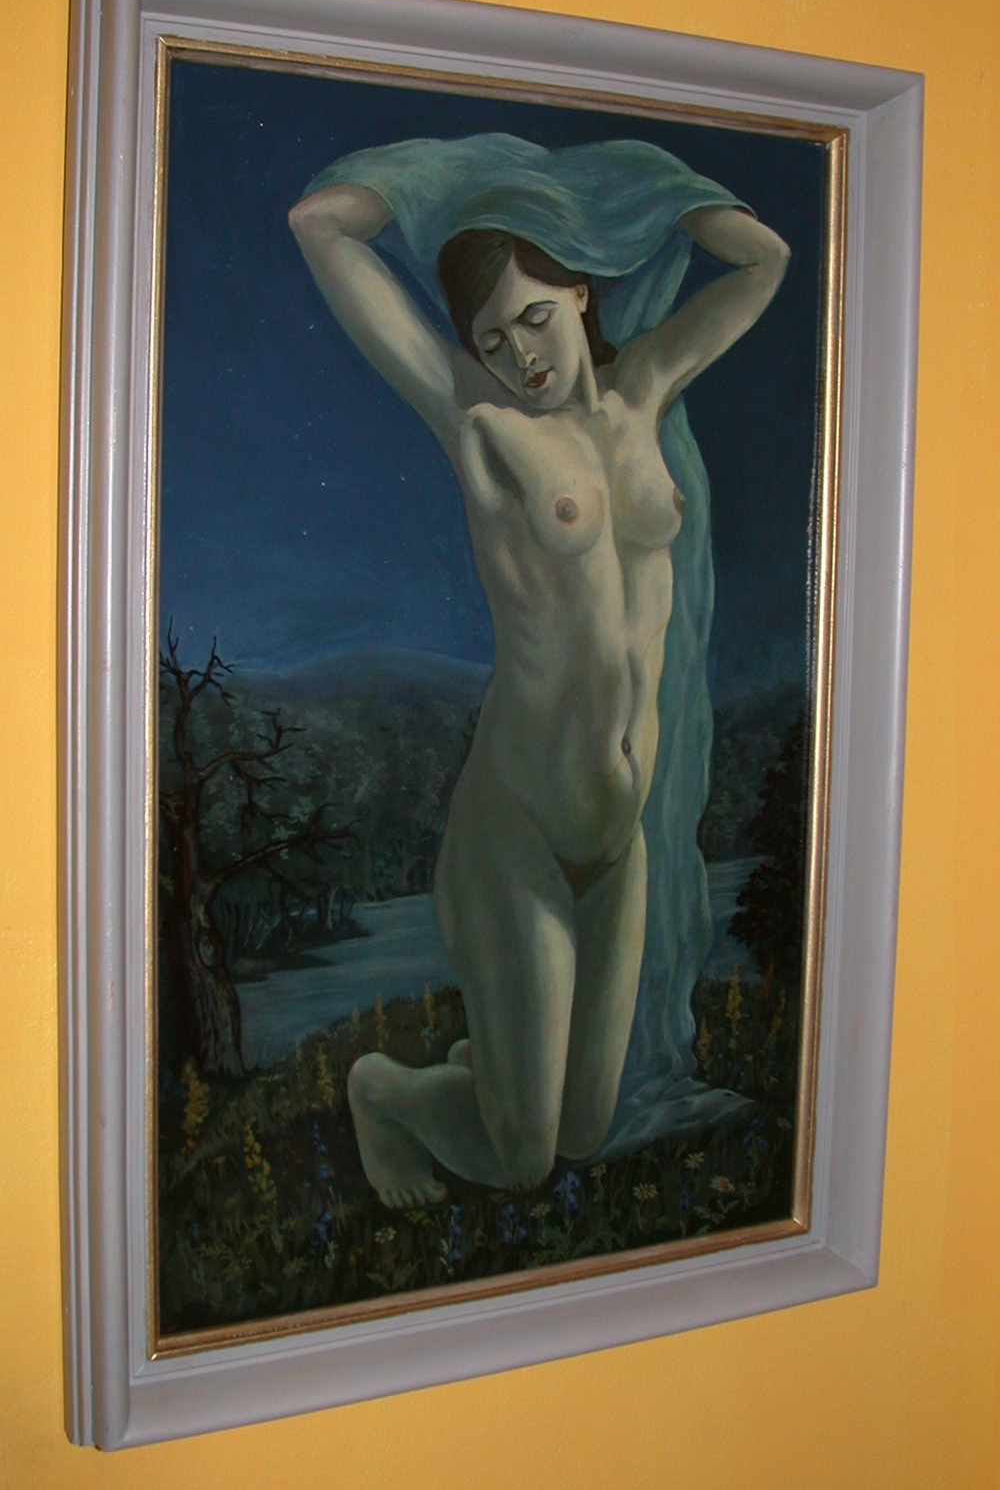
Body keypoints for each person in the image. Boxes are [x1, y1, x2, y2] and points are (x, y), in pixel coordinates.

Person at [289, 135, 788, 1206]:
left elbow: (766, 263)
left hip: (617, 847)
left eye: (533, 317)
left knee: (584, 1133)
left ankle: (491, 1066)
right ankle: (384, 1092)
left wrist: (669, 196)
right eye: (491, 337)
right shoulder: (477, 413)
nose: (520, 355)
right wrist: (421, 185)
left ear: (579, 288)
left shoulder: (643, 387)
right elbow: (318, 229)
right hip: (516, 833)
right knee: (522, 1162)